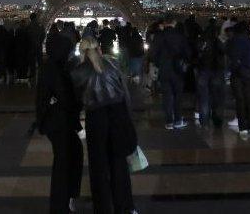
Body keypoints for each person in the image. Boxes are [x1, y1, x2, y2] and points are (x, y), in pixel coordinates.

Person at [71, 37, 138, 214]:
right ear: (99, 48)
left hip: (96, 119)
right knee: (119, 165)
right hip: (118, 116)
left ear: (81, 52)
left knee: (98, 167)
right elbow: (126, 94)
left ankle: (102, 208)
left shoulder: (78, 72)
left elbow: (76, 101)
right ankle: (125, 207)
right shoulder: (114, 64)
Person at [35, 32, 82, 213]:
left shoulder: (51, 67)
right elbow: (67, 98)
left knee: (67, 159)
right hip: (60, 123)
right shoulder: (57, 70)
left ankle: (65, 200)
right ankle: (62, 203)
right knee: (65, 163)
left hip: (55, 122)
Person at [149, 16, 190, 130]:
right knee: (178, 96)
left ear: (164, 23)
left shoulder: (158, 36)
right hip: (177, 70)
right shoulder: (180, 36)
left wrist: (158, 63)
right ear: (174, 22)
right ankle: (178, 120)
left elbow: (152, 54)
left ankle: (169, 122)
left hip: (163, 70)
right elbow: (187, 53)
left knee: (167, 97)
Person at [225, 23, 250, 134]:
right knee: (249, 100)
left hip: (236, 75)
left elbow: (227, 57)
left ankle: (242, 126)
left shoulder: (231, 43)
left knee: (239, 100)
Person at [193, 23, 225, 127]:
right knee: (216, 98)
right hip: (216, 71)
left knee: (204, 98)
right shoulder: (218, 42)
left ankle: (204, 121)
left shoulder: (201, 42)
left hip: (203, 71)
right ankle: (217, 120)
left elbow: (195, 55)